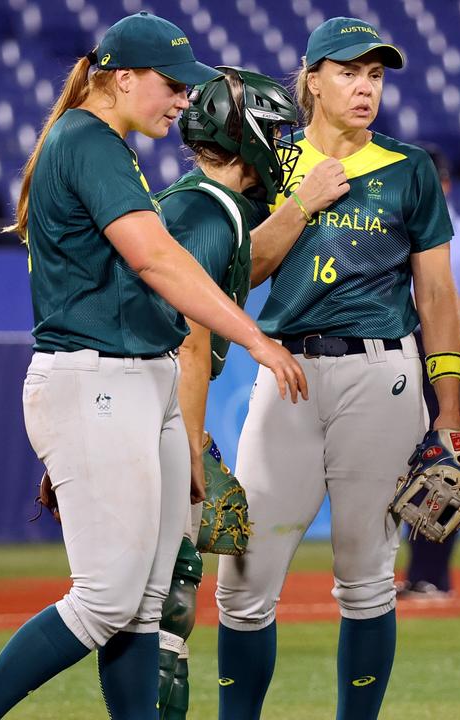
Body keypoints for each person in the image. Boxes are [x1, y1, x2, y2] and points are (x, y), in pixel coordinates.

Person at [0, 12, 305, 720]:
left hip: (134, 380)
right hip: (97, 379)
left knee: (143, 600)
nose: (182, 100)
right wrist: (255, 338)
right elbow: (157, 260)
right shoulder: (90, 139)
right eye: (171, 84)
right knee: (106, 599)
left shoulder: (102, 142)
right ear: (123, 78)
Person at [213, 17, 460, 720]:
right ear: (313, 79)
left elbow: (437, 293)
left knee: (366, 579)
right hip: (286, 369)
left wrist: (447, 412)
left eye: (376, 75)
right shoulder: (273, 162)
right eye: (350, 72)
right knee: (244, 580)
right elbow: (240, 271)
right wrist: (300, 202)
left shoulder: (409, 168)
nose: (365, 87)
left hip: (381, 373)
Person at [150, 67, 349, 720]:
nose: (286, 147)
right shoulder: (207, 211)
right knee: (141, 611)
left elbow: (242, 260)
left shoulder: (209, 207)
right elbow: (190, 341)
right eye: (278, 132)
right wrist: (194, 445)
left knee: (144, 609)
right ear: (251, 135)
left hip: (136, 402)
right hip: (148, 407)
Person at [397, 144, 460, 600]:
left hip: (450, 348)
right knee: (397, 459)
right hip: (396, 348)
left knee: (445, 460)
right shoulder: (393, 227)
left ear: (445, 185)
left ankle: (432, 573)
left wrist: (435, 307)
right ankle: (404, 571)